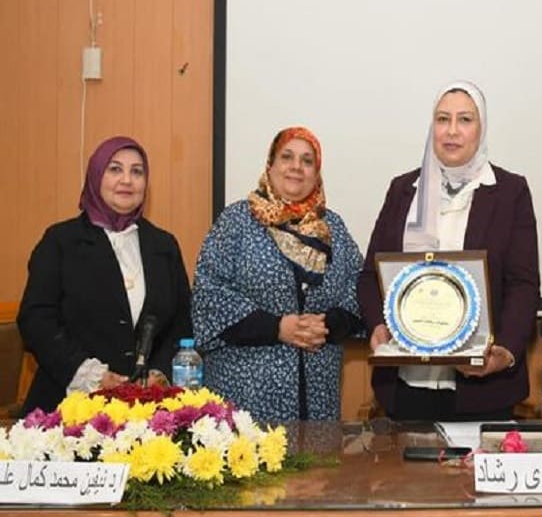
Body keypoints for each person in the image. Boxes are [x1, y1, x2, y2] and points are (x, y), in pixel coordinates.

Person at [357, 81, 540, 421]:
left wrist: (505, 353)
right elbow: (370, 276)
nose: (452, 131)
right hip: (405, 386)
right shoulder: (402, 190)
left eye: (465, 120)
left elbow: (523, 284)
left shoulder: (510, 191)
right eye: (443, 119)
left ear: (481, 128)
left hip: (483, 389)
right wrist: (377, 327)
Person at [192, 126, 363, 423]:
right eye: (287, 157)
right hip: (245, 398)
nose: (297, 167)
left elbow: (360, 286)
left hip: (318, 402)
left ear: (317, 173)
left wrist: (329, 324)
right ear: (270, 167)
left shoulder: (332, 227)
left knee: (318, 471)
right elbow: (209, 295)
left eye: (307, 161)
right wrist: (277, 328)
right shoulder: (237, 222)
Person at [17, 136, 192, 414]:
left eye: (137, 171)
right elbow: (36, 319)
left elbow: (182, 321)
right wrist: (92, 375)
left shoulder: (164, 245)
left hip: (148, 412)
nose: (127, 180)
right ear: (96, 175)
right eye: (115, 169)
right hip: (68, 408)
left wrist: (159, 372)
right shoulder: (61, 241)